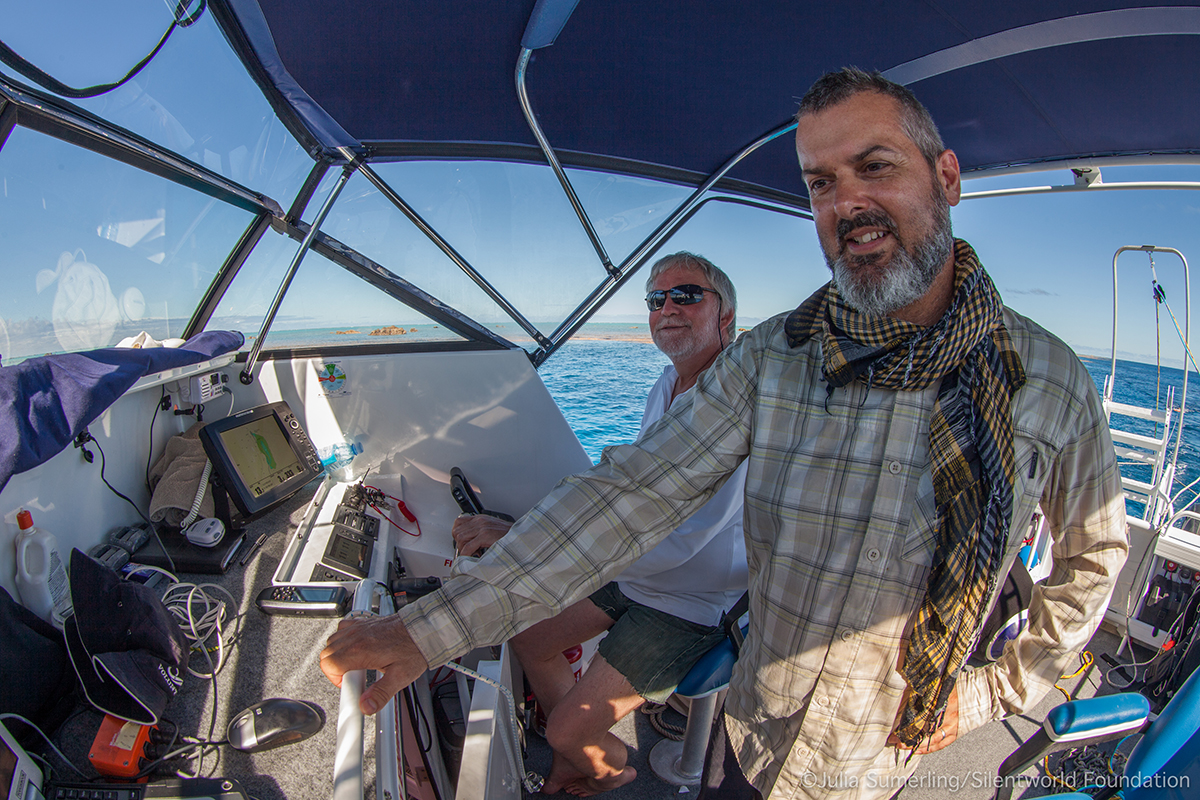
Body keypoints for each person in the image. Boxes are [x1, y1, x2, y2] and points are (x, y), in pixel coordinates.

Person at [321, 68, 1128, 800]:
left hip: (877, 757)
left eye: (875, 166)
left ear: (945, 177)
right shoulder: (773, 359)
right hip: (759, 728)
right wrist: (429, 630)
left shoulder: (1051, 383)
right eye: (820, 183)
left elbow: (1093, 558)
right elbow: (632, 495)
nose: (846, 204)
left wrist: (994, 690)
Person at [450, 251, 749, 795]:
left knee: (567, 729)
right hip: (638, 575)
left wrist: (541, 549)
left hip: (692, 601)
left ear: (725, 317)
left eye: (686, 295)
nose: (667, 308)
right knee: (526, 635)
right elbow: (632, 491)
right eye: (656, 299)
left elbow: (684, 537)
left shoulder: (734, 408)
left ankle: (608, 765)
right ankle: (571, 755)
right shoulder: (667, 382)